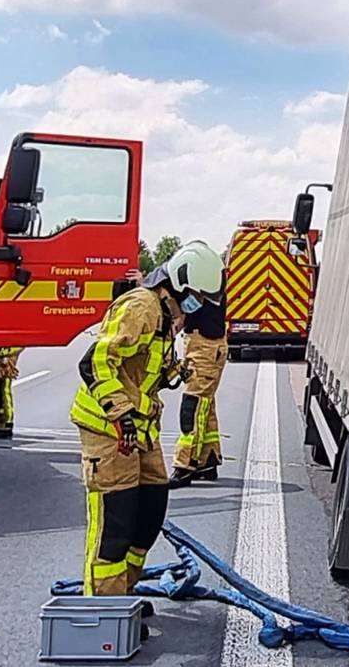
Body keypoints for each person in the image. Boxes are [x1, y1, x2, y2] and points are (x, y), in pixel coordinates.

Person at [70, 242, 224, 597]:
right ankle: (104, 607)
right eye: (197, 297)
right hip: (109, 428)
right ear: (181, 285)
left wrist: (175, 372)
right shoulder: (141, 307)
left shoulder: (165, 314)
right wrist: (121, 414)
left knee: (151, 508)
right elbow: (94, 362)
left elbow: (142, 367)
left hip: (140, 429)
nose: (198, 305)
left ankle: (125, 591)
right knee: (116, 523)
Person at [171, 294, 229, 483]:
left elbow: (191, 304)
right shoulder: (205, 279)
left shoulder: (205, 280)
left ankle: (185, 464)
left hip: (206, 346)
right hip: (202, 344)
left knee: (193, 406)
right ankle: (207, 459)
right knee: (205, 404)